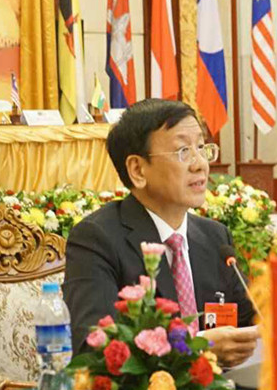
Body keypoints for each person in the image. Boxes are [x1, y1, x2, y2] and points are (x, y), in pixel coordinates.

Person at [63, 98, 259, 367]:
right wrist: (198, 348)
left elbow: (253, 319)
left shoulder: (215, 238)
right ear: (137, 169)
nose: (200, 164)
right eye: (183, 151)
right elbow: (94, 348)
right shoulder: (97, 239)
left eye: (201, 148)